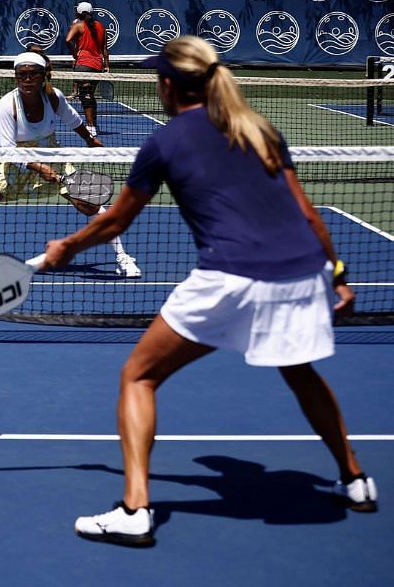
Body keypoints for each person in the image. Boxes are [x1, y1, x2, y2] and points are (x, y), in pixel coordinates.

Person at [44, 36, 377, 547]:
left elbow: (114, 223)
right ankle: (356, 481)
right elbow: (307, 214)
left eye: (160, 76)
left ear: (170, 85)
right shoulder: (260, 129)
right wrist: (337, 275)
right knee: (300, 371)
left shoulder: (166, 141)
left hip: (230, 276)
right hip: (300, 274)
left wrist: (66, 247)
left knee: (139, 376)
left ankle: (135, 508)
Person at [0, 50, 141, 279]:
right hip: (15, 158)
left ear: (43, 76)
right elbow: (8, 150)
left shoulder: (53, 97)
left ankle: (122, 257)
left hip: (50, 153)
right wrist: (38, 167)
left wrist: (90, 140)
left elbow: (74, 120)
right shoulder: (6, 105)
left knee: (88, 204)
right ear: (16, 77)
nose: (27, 79)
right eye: (22, 75)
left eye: (33, 74)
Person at [65, 2, 109, 137]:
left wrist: (74, 53)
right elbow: (105, 49)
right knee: (89, 95)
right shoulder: (101, 27)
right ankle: (93, 124)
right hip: (97, 66)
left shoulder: (78, 26)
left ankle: (91, 126)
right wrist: (107, 65)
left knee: (86, 96)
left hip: (83, 65)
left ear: (78, 13)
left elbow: (68, 40)